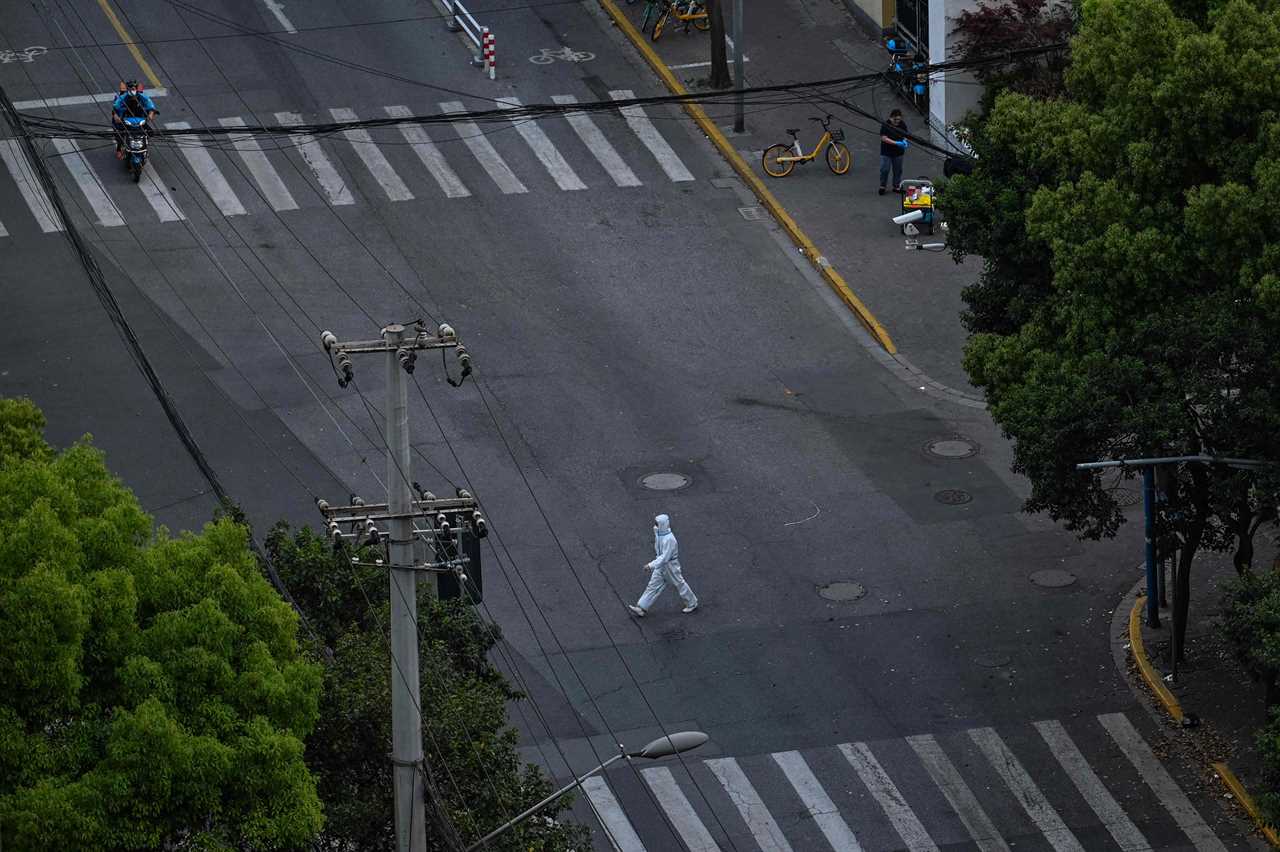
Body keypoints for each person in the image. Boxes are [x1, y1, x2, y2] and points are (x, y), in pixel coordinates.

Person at [628, 513, 698, 616]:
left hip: (670, 566)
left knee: (679, 584)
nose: (655, 526)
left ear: (662, 525)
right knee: (652, 585)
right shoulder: (660, 533)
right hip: (661, 565)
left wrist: (650, 565)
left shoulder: (669, 539)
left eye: (657, 524)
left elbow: (665, 557)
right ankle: (642, 607)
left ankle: (692, 603)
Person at [112, 80, 159, 158]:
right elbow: (116, 107)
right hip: (125, 119)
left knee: (150, 133)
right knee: (119, 134)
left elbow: (150, 106)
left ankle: (145, 145)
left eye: (133, 88)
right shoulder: (123, 97)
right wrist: (116, 116)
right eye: (129, 89)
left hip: (140, 119)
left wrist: (150, 114)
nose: (131, 90)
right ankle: (119, 149)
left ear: (136, 89)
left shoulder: (143, 97)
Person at [878, 109, 909, 195]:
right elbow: (884, 138)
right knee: (885, 169)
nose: (897, 122)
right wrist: (896, 143)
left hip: (898, 152)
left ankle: (896, 186)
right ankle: (882, 186)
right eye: (895, 120)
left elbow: (905, 135)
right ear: (891, 118)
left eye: (899, 119)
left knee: (898, 170)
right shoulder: (886, 125)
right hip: (886, 151)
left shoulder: (902, 124)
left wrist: (904, 141)